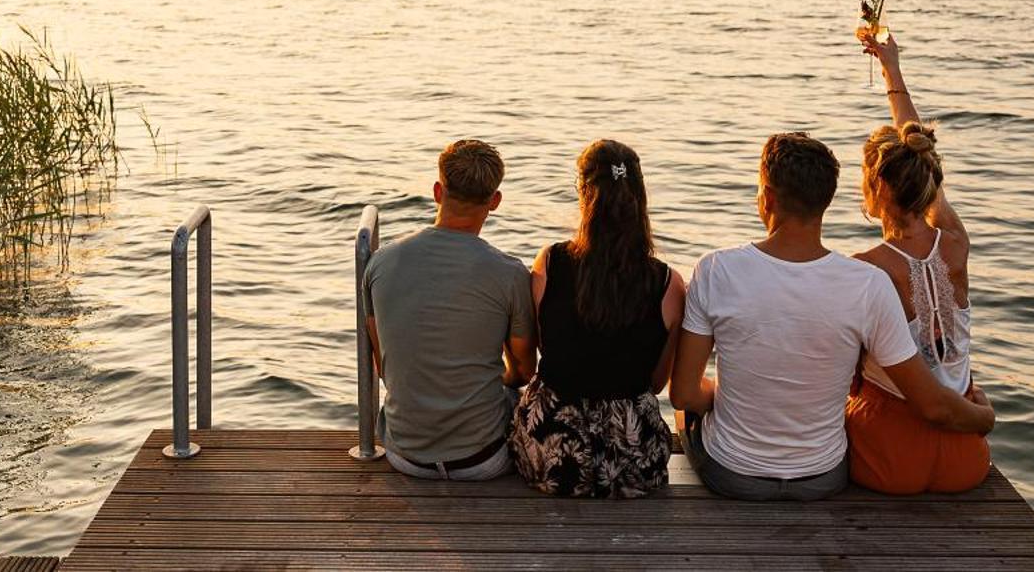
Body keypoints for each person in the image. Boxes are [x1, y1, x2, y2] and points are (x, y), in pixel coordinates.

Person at [670, 131, 994, 501]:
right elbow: (930, 401)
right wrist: (984, 417)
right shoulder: (867, 283)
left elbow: (682, 393)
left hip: (733, 475)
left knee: (686, 413)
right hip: (823, 477)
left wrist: (727, 396)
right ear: (826, 201)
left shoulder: (715, 269)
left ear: (767, 198)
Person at [844, 30, 991, 493]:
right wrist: (892, 68)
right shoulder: (956, 244)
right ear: (927, 181)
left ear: (874, 192)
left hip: (890, 454)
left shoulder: (864, 270)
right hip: (965, 455)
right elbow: (919, 155)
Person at [509, 139, 686, 498]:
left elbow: (549, 350)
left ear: (583, 193)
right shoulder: (668, 283)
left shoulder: (550, 263)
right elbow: (655, 384)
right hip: (634, 460)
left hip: (554, 454)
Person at [363, 138, 536, 480]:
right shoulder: (510, 273)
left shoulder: (381, 263)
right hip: (482, 460)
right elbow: (523, 372)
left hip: (405, 455)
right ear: (495, 201)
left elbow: (383, 365)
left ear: (438, 191)